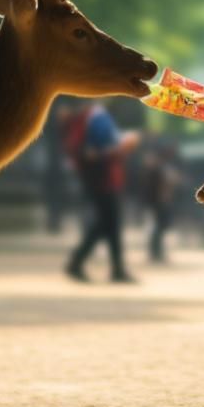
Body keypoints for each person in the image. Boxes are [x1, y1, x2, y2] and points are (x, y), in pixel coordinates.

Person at [65, 101, 139, 283]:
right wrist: (121, 147)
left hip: (104, 178)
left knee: (111, 224)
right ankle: (77, 261)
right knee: (107, 223)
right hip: (102, 178)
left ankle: (116, 268)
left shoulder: (93, 116)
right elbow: (92, 153)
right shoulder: (94, 117)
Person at [139, 138, 183, 264]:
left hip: (160, 199)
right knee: (159, 226)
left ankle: (156, 252)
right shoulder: (157, 165)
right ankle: (155, 252)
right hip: (157, 200)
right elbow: (161, 183)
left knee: (161, 226)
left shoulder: (162, 165)